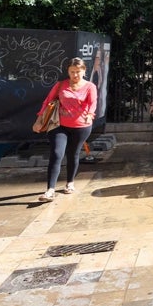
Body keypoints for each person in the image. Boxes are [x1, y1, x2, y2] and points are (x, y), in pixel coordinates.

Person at [32, 58, 98, 202]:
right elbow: (47, 101)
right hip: (59, 124)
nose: (75, 75)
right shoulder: (60, 85)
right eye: (72, 72)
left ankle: (70, 182)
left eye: (78, 72)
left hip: (81, 126)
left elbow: (92, 103)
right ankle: (50, 190)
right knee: (56, 153)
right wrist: (39, 119)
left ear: (84, 71)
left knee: (73, 154)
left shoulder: (90, 86)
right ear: (68, 71)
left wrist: (90, 115)